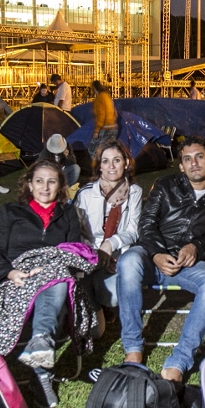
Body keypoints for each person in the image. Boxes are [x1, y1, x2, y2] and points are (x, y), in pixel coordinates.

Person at [116, 136, 205, 384]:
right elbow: (146, 224)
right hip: (151, 256)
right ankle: (133, 349)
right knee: (128, 261)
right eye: (187, 159)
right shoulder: (165, 185)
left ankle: (180, 360)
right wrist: (158, 253)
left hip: (186, 263)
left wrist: (197, 246)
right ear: (180, 165)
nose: (194, 163)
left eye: (200, 157)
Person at [0, 160, 82, 407]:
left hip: (53, 275)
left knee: (58, 274)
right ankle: (41, 363)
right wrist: (10, 273)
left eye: (52, 181)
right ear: (29, 184)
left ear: (60, 185)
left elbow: (73, 251)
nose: (45, 187)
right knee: (56, 282)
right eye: (39, 180)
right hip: (17, 278)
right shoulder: (10, 211)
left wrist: (50, 266)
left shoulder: (67, 213)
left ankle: (40, 355)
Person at [74, 140, 143, 328]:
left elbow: (133, 230)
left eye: (117, 160)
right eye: (105, 161)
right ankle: (88, 297)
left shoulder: (134, 192)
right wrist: (96, 254)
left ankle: (103, 300)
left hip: (116, 253)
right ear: (99, 166)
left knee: (112, 297)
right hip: (90, 254)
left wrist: (111, 245)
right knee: (95, 331)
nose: (111, 166)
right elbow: (77, 233)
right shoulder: (86, 194)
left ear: (126, 163)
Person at [90, 80, 117, 157]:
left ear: (94, 88)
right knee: (110, 150)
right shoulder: (107, 96)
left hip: (105, 128)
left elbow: (101, 115)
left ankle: (98, 167)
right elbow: (115, 112)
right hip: (113, 127)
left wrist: (97, 130)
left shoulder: (99, 98)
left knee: (94, 150)